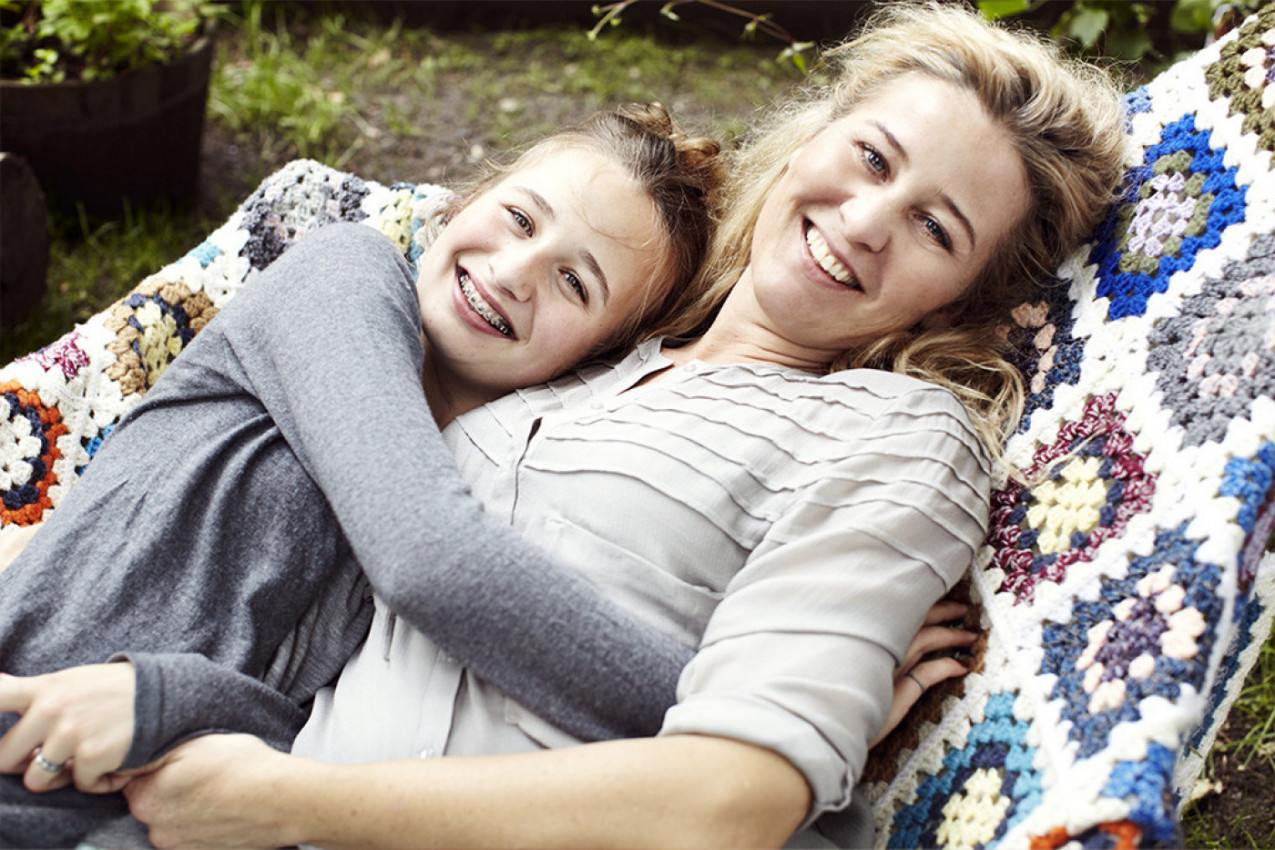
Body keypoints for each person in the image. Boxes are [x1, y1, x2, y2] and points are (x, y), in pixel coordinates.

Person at [9, 1, 1129, 846]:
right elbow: (372, 630)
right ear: (810, 139)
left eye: (935, 226)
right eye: (871, 158)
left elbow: (734, 800)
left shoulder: (890, 435)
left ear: (964, 295)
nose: (868, 220)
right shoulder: (566, 363)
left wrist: (283, 797)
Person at [0, 104, 729, 847]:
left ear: (597, 358)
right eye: (518, 218)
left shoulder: (486, 489)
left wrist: (169, 700)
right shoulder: (342, 276)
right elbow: (431, 564)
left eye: (574, 283)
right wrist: (749, 734)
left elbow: (300, 743)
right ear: (465, 201)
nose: (513, 273)